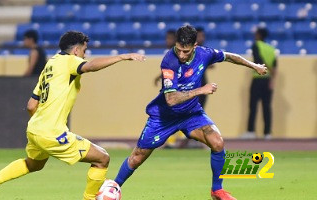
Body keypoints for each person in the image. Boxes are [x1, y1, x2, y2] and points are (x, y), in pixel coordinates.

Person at [0, 31, 145, 200]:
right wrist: (122, 56)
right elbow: (90, 67)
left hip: (35, 128)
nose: (84, 55)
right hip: (51, 132)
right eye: (84, 50)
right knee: (102, 159)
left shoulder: (50, 65)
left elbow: (31, 105)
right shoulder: (69, 61)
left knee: (33, 164)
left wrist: (42, 127)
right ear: (76, 50)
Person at [114, 25, 267, 200]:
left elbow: (230, 56)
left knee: (217, 142)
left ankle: (217, 190)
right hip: (165, 117)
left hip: (191, 114)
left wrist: (254, 65)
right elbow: (171, 99)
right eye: (178, 49)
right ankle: (114, 187)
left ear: (195, 46)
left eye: (185, 51)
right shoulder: (169, 60)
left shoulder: (205, 53)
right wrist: (200, 90)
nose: (181, 55)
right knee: (138, 157)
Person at [242, 27, 277, 139]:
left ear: (259, 35)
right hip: (268, 80)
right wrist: (272, 80)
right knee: (266, 107)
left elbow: (258, 61)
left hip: (258, 79)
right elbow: (275, 67)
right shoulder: (272, 49)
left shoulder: (256, 45)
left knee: (253, 106)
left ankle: (251, 131)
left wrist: (265, 68)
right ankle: (267, 133)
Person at [196, 27, 215, 108]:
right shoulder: (189, 51)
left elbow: (212, 64)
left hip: (203, 85)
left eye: (202, 36)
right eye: (199, 36)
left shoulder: (205, 51)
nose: (201, 38)